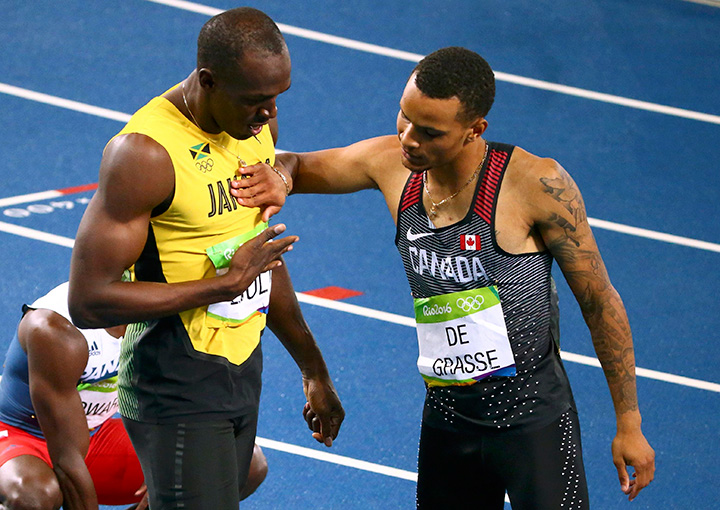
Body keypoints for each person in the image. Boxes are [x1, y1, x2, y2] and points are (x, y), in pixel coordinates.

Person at [233, 46, 655, 509]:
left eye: (430, 132)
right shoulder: (391, 163)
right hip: (448, 416)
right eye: (404, 117)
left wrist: (629, 423)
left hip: (533, 419)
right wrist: (281, 180)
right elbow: (293, 162)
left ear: (476, 130)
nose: (409, 139)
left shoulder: (535, 184)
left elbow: (599, 301)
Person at [67, 7, 344, 509]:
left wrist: (313, 370)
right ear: (209, 81)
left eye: (277, 98)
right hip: (174, 383)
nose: (269, 114)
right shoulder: (144, 154)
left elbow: (259, 259)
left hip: (241, 371)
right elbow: (89, 300)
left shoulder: (254, 129)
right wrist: (220, 286)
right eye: (256, 101)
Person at [0, 280, 269, 509]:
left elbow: (183, 398)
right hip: (20, 435)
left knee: (242, 465)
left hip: (96, 435)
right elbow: (67, 456)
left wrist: (167, 474)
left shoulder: (163, 311)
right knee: (34, 495)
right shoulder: (54, 328)